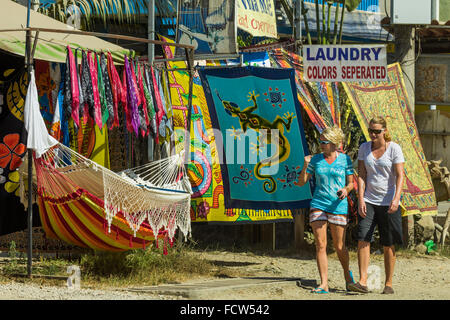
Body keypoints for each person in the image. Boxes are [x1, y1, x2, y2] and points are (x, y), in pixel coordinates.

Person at [348, 116, 405, 295]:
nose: (373, 134)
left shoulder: (394, 148)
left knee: (388, 243)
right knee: (363, 237)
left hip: (388, 201)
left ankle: (388, 283)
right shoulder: (364, 148)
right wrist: (361, 199)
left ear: (384, 131)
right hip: (370, 200)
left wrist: (396, 199)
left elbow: (400, 175)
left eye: (377, 131)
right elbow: (362, 174)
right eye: (370, 130)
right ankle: (363, 281)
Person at [298, 126, 355, 294]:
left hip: (338, 205)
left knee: (339, 246)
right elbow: (301, 182)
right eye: (320, 141)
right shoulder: (315, 160)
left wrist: (346, 190)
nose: (321, 145)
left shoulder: (345, 160)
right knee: (320, 245)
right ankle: (324, 283)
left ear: (334, 144)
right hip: (319, 204)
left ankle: (347, 274)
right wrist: (305, 165)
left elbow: (351, 183)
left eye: (325, 142)